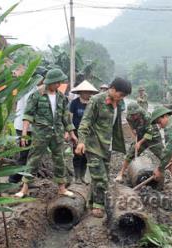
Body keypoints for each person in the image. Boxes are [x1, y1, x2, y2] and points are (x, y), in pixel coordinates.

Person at [15, 68, 77, 198]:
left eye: (60, 82)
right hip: (41, 134)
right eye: (56, 82)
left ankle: (62, 188)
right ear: (49, 82)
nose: (58, 85)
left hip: (57, 134)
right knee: (33, 160)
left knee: (59, 160)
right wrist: (25, 134)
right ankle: (24, 188)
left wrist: (71, 133)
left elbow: (66, 117)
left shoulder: (61, 97)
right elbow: (27, 115)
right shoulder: (37, 95)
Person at [75, 77, 132, 218]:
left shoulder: (117, 103)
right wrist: (81, 141)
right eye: (120, 94)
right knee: (101, 178)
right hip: (94, 145)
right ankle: (98, 206)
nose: (121, 98)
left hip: (107, 146)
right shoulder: (96, 101)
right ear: (112, 89)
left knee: (102, 175)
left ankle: (91, 202)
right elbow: (85, 121)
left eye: (124, 96)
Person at [9, 66, 47, 183]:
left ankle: (22, 180)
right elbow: (29, 110)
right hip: (23, 127)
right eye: (43, 77)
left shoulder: (31, 87)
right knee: (24, 155)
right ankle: (13, 180)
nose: (45, 80)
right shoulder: (31, 90)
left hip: (26, 126)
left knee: (28, 155)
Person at [114, 102, 164, 183]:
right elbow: (130, 126)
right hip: (141, 135)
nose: (134, 116)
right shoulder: (129, 117)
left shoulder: (146, 116)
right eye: (132, 115)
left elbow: (149, 134)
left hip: (153, 136)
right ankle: (121, 173)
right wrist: (134, 135)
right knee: (130, 154)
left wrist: (140, 143)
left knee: (163, 156)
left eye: (135, 114)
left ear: (139, 111)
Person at [69, 80, 99, 183]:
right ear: (80, 92)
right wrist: (70, 132)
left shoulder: (93, 103)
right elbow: (70, 117)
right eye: (84, 92)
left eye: (88, 92)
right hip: (77, 133)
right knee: (77, 154)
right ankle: (77, 177)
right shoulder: (75, 103)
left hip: (89, 134)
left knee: (86, 155)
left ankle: (82, 176)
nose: (87, 94)